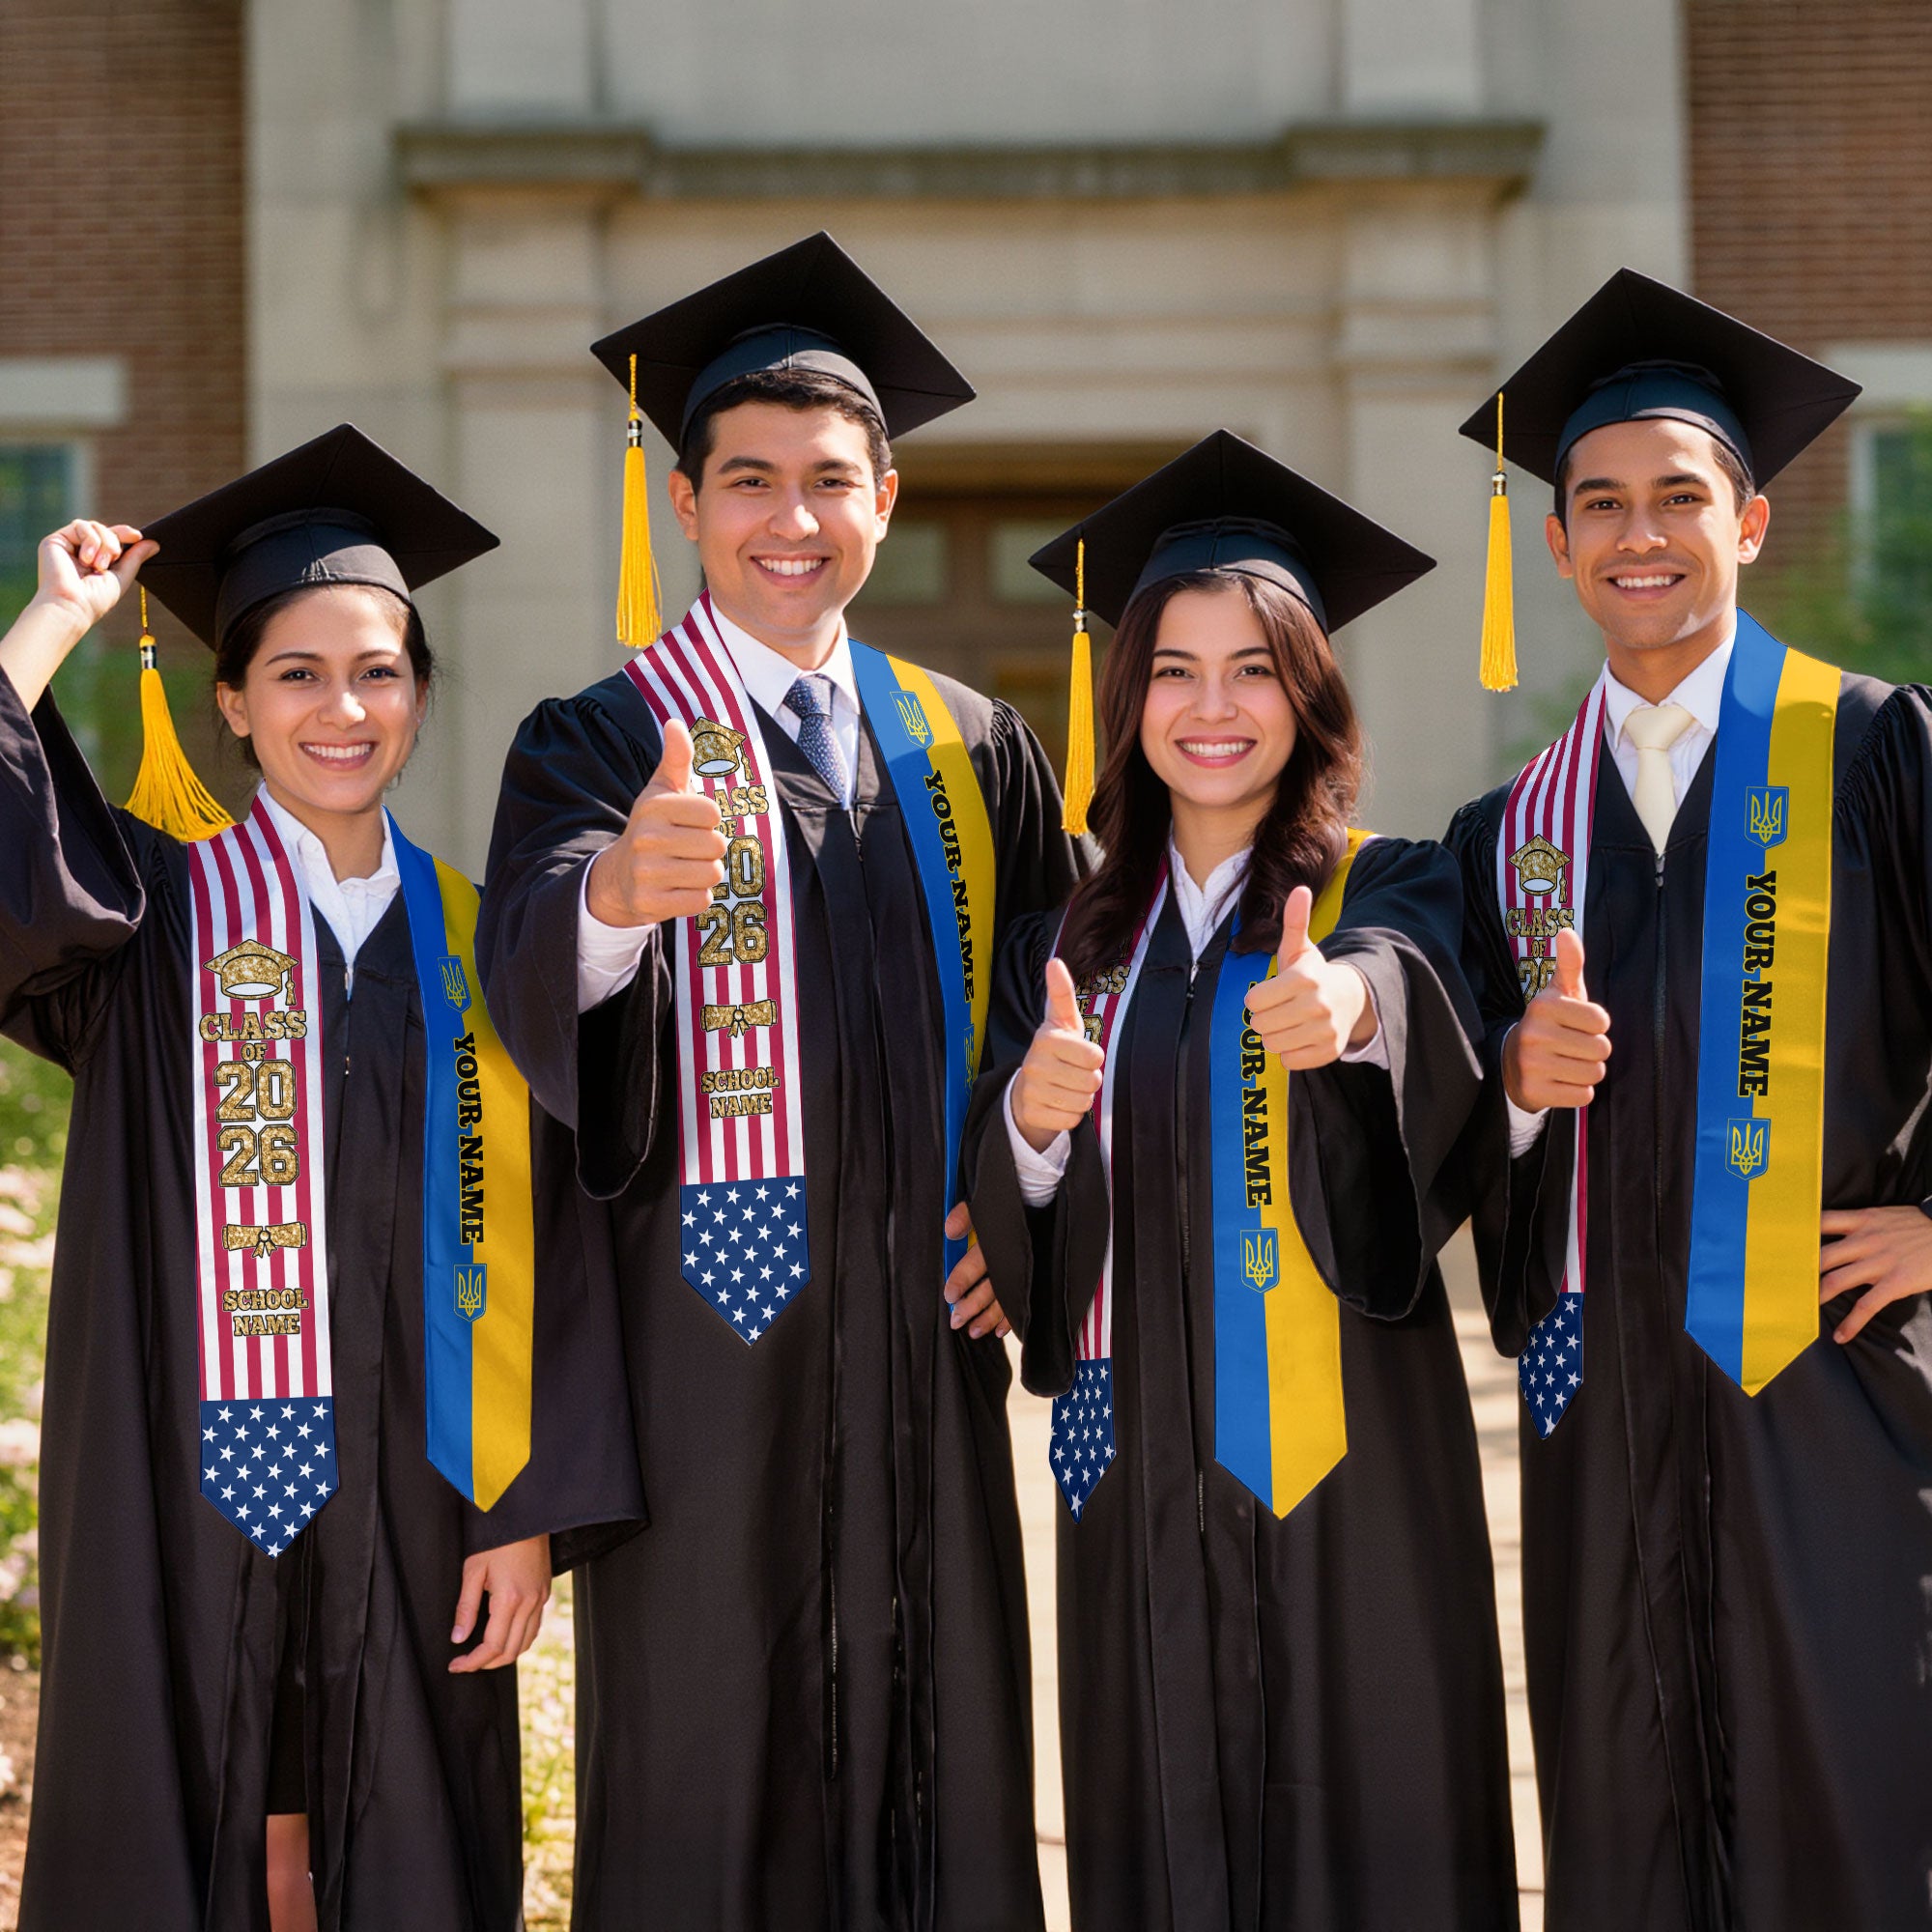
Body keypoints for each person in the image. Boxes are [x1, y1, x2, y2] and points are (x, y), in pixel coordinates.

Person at [477, 233, 1083, 1931]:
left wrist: (1027, 1196)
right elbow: (529, 972)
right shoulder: (598, 740)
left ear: (886, 498)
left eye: (831, 481)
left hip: (923, 1352)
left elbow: (1075, 998)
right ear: (686, 504)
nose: (790, 520)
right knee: (709, 1774)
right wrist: (610, 899)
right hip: (705, 1368)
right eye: (749, 481)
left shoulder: (972, 746)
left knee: (943, 1758)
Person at [0, 425, 642, 1932]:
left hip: (428, 1495)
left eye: (378, 671)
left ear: (420, 695)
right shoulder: (146, 918)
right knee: (190, 1805)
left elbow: (563, 1242)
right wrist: (50, 625)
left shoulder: (491, 946)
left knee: (407, 1832)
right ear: (230, 701)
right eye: (295, 673)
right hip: (182, 1479)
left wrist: (525, 1507)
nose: (340, 708)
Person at [963, 431, 1519, 1930]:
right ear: (1126, 696)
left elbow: (1413, 987)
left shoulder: (1387, 885)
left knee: (1376, 1826)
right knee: (1160, 1829)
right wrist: (1026, 1117)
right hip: (1130, 1460)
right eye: (1175, 671)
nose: (1214, 709)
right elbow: (1013, 1190)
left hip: (1349, 1466)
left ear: (1311, 692)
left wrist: (1350, 1013)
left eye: (1256, 669)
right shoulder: (1068, 944)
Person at [1445, 270, 1932, 1931]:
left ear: (1752, 521)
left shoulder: (1876, 752)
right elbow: (1444, 1128)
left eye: (1678, 497)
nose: (1637, 534)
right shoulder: (1509, 831)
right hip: (1601, 1413)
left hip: (1834, 1388)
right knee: (1624, 1814)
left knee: (1854, 1800)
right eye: (1599, 504)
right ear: (1561, 543)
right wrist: (1510, 1086)